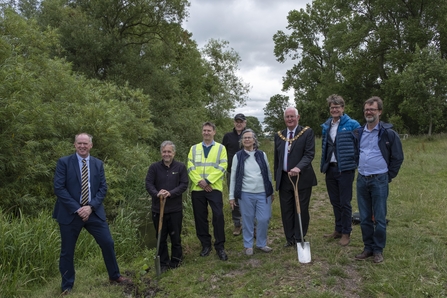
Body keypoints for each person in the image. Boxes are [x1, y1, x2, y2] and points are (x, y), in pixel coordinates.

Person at [53, 133, 131, 295]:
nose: (82, 146)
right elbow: (59, 188)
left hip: (93, 212)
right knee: (67, 251)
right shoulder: (64, 163)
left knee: (107, 242)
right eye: (79, 143)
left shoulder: (98, 164)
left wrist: (90, 207)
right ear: (74, 145)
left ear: (91, 146)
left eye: (85, 143)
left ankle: (114, 276)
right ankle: (67, 286)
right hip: (70, 213)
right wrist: (78, 208)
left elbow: (103, 188)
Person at [354, 96, 404, 263]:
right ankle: (368, 248)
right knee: (365, 216)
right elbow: (357, 153)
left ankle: (378, 250)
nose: (369, 112)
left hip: (379, 180)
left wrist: (388, 176)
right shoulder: (359, 132)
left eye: (372, 109)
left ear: (379, 112)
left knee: (380, 217)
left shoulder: (388, 133)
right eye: (367, 109)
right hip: (362, 179)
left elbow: (397, 157)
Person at [274, 107, 317, 247]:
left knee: (301, 209)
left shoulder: (306, 132)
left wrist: (298, 167)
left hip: (301, 177)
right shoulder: (279, 135)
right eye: (287, 117)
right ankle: (290, 238)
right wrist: (277, 177)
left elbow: (309, 154)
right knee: (286, 209)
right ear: (284, 119)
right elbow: (277, 158)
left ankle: (299, 237)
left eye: (292, 116)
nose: (290, 119)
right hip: (285, 178)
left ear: (298, 117)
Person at [320, 94, 360, 246]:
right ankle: (337, 229)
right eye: (332, 107)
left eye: (337, 107)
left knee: (345, 202)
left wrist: (354, 161)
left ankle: (346, 232)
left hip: (345, 169)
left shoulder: (352, 124)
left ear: (343, 108)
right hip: (330, 168)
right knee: (334, 201)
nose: (334, 109)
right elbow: (325, 146)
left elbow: (359, 145)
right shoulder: (327, 126)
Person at [187, 122, 228, 261]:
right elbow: (190, 167)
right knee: (200, 218)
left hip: (214, 187)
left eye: (209, 130)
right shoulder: (194, 148)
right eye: (204, 130)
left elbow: (223, 166)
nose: (206, 133)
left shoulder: (221, 148)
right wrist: (201, 182)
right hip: (198, 188)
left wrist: (208, 181)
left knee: (218, 216)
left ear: (214, 132)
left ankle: (220, 246)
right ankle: (205, 245)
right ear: (202, 132)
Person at [229, 129, 274, 255]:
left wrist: (271, 191)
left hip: (262, 192)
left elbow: (268, 173)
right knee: (247, 219)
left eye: (249, 137)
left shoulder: (262, 155)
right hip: (245, 193)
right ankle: (248, 245)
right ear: (242, 141)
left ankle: (261, 243)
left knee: (264, 218)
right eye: (245, 138)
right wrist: (231, 196)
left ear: (254, 140)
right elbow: (233, 177)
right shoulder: (238, 156)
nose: (247, 140)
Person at [145, 141, 188, 272]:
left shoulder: (180, 167)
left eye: (169, 151)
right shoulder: (154, 167)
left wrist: (171, 193)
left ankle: (176, 261)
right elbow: (148, 184)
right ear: (161, 153)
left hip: (175, 209)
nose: (166, 154)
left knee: (175, 237)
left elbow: (184, 184)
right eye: (164, 151)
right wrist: (157, 193)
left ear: (174, 153)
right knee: (161, 237)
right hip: (158, 209)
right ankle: (163, 263)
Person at [222, 113, 247, 236]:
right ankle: (237, 224)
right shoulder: (228, 136)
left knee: (248, 197)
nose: (239, 123)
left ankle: (251, 225)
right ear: (234, 123)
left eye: (241, 121)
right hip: (231, 172)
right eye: (237, 121)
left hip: (247, 172)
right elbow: (223, 153)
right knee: (234, 198)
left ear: (245, 123)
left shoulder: (248, 135)